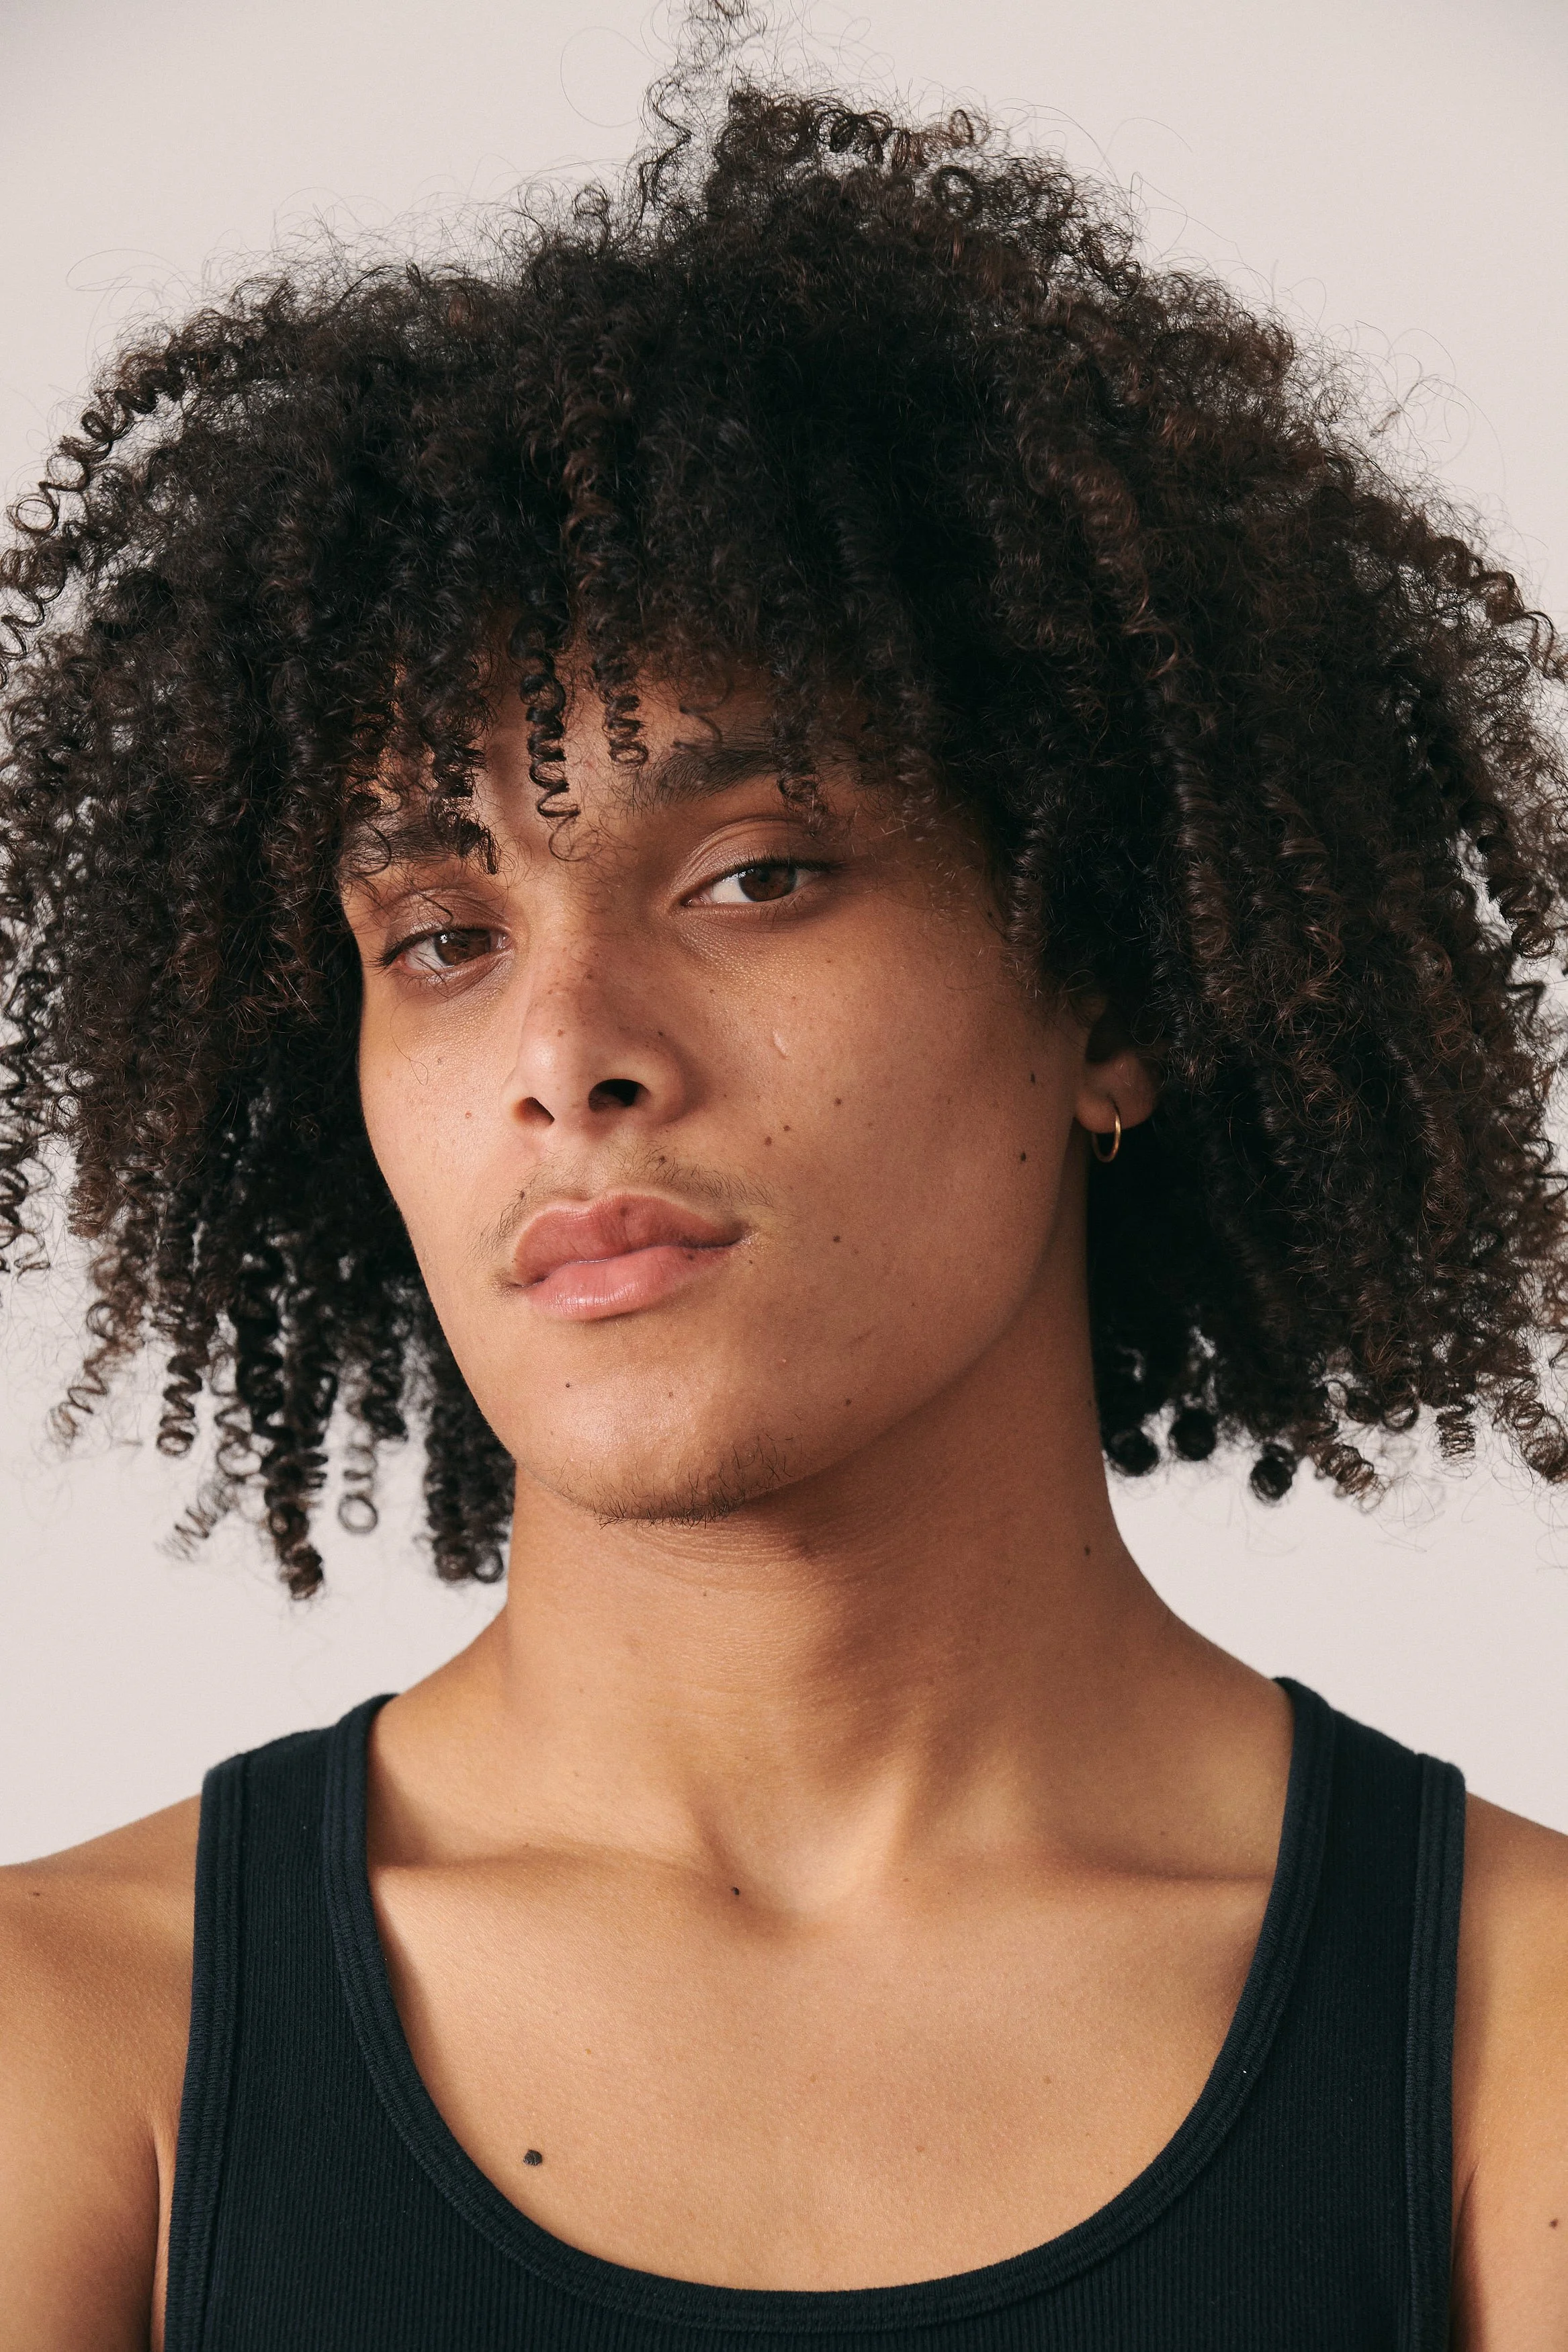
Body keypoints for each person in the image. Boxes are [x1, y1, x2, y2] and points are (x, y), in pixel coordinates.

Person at [2, 27, 1567, 2349]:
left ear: (1111, 986)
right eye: (441, 938)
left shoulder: (1511, 2047)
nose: (565, 1054)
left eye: (752, 875)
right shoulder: (67, 2053)